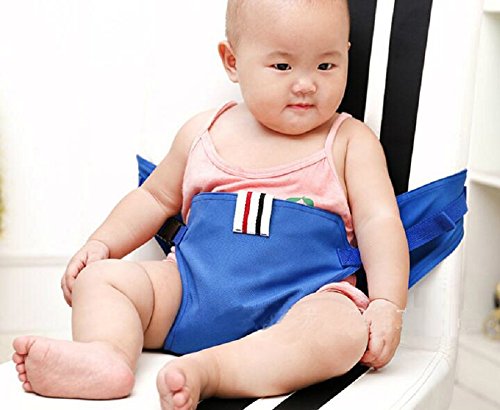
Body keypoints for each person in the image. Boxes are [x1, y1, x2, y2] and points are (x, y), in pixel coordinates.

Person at [12, 0, 409, 409]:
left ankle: (214, 371)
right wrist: (102, 244)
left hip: (300, 303)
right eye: (282, 66)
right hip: (188, 292)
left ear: (346, 55)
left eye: (326, 65)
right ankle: (106, 355)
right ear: (232, 61)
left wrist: (386, 303)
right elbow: (153, 197)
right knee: (101, 280)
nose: (306, 84)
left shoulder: (349, 142)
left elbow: (379, 221)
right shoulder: (204, 132)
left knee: (342, 330)